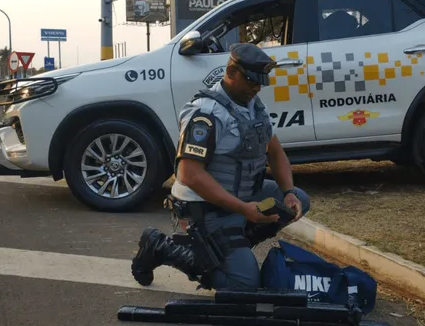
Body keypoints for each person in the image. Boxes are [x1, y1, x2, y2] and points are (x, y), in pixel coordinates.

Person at [131, 43, 311, 290]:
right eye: (251, 81)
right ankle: (162, 247)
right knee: (244, 286)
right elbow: (189, 175)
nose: (257, 88)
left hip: (239, 199)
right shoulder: (206, 113)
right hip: (205, 208)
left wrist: (289, 192)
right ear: (232, 73)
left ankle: (230, 245)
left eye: (260, 82)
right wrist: (244, 209)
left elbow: (276, 152)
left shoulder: (254, 106)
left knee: (298, 199)